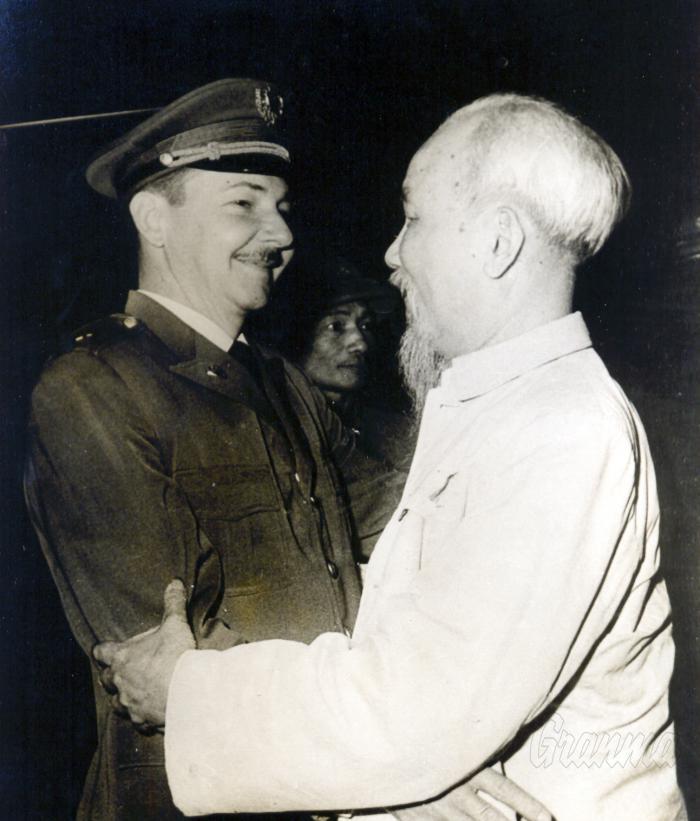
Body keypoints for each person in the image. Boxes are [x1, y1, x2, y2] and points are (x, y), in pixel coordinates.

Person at [96, 92, 688, 820]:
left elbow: (417, 710)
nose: (393, 254)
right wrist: (416, 759)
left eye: (414, 220)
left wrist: (189, 694)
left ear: (497, 242)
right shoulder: (501, 405)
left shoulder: (558, 426)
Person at [25, 80, 546, 821]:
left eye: (282, 207)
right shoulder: (91, 389)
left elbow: (406, 520)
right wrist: (401, 762)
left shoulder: (280, 380)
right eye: (243, 203)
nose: (279, 233)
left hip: (333, 782)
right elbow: (170, 660)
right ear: (153, 219)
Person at [285, 257, 415, 470]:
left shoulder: (397, 433)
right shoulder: (277, 432)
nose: (361, 344)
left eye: (366, 325)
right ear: (293, 337)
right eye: (336, 326)